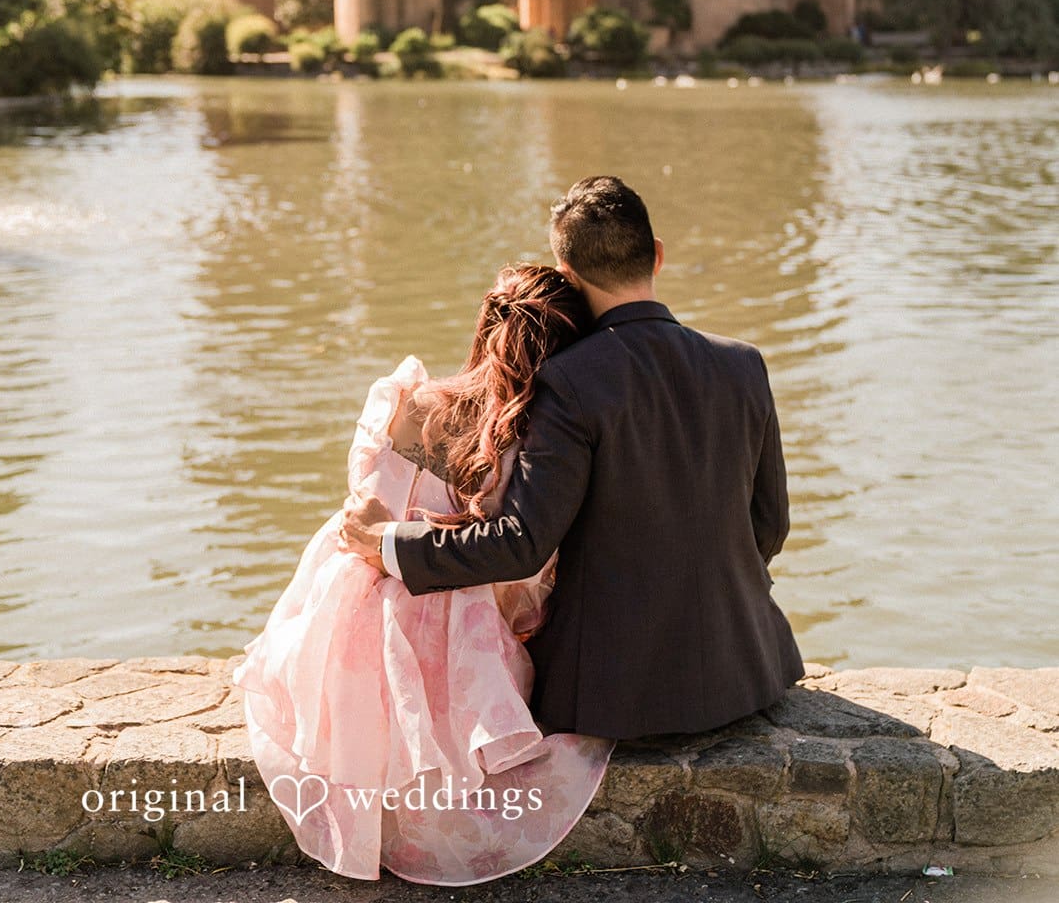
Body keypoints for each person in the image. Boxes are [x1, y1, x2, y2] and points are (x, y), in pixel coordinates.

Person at [342, 175, 804, 741]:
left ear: (567, 275)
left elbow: (519, 544)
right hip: (748, 672)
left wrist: (387, 541)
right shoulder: (743, 364)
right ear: (657, 256)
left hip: (616, 695)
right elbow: (770, 526)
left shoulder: (567, 380)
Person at [232, 263, 615, 885]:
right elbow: (517, 580)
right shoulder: (526, 438)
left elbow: (363, 507)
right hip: (444, 612)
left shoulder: (406, 399)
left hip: (348, 602)